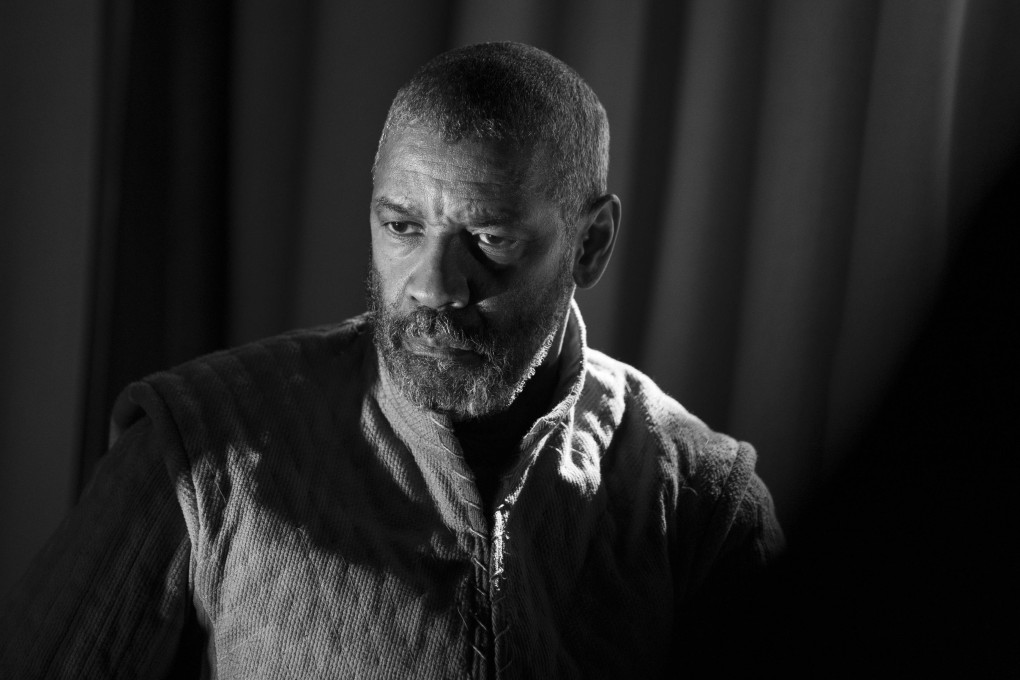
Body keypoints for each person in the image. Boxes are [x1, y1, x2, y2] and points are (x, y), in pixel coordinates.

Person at [0, 42, 783, 679]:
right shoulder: (201, 447)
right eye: (402, 226)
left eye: (489, 238)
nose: (434, 286)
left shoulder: (700, 504)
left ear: (592, 244)